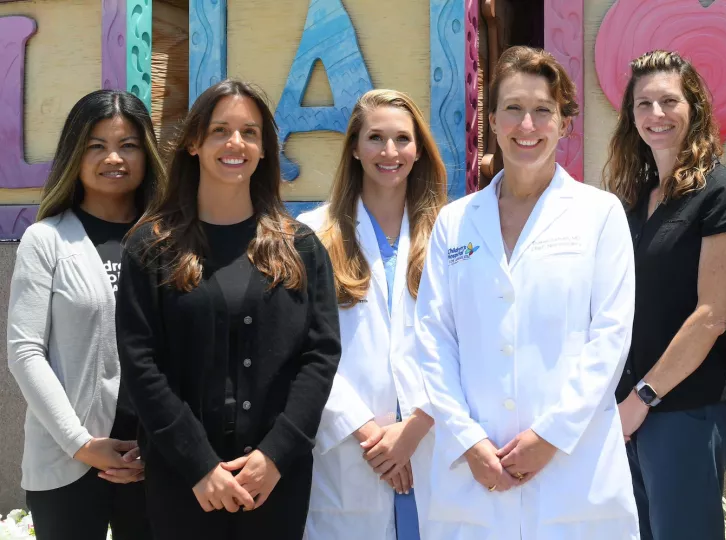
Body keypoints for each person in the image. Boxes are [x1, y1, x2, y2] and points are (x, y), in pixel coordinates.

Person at [414, 45, 640, 540]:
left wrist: (550, 437)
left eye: (543, 111)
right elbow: (433, 337)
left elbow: (610, 337)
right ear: (491, 120)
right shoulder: (455, 223)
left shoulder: (599, 215)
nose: (527, 125)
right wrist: (467, 439)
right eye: (513, 109)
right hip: (473, 474)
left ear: (564, 123)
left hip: (572, 473)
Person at [114, 79, 342, 539]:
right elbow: (141, 365)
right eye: (220, 130)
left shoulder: (299, 248)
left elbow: (320, 358)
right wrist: (198, 465)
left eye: (250, 132)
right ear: (194, 143)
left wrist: (276, 454)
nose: (235, 143)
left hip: (274, 483)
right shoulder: (151, 247)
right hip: (184, 483)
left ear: (263, 149)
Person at [604, 50, 726, 540]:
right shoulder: (632, 200)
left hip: (682, 406)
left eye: (669, 101)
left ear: (695, 109)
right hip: (624, 408)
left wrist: (643, 397)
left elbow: (711, 315)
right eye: (643, 103)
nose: (656, 114)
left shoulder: (723, 192)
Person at [7, 89, 164, 540]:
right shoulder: (47, 240)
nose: (113, 158)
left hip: (155, 456)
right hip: (67, 459)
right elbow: (25, 352)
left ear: (147, 153)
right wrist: (82, 445)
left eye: (128, 145)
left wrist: (161, 447)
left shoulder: (170, 241)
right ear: (75, 153)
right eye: (97, 145)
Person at [297, 89, 446, 539]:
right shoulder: (311, 234)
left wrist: (414, 430)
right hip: (350, 450)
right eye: (375, 138)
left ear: (419, 150)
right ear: (355, 149)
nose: (389, 152)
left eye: (402, 139)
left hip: (431, 440)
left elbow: (466, 342)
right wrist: (368, 435)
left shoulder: (452, 234)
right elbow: (303, 348)